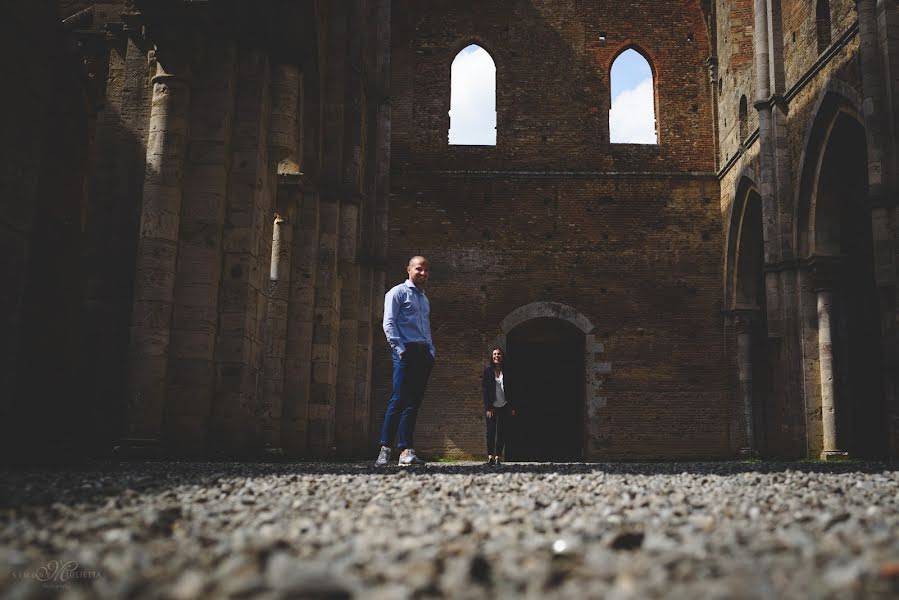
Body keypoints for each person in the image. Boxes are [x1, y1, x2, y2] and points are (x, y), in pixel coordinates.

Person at [375, 256, 436, 467]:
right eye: (419, 269)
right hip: (405, 351)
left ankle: (405, 451)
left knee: (413, 404)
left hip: (422, 353)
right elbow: (389, 323)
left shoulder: (424, 299)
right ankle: (385, 449)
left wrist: (431, 351)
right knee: (399, 399)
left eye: (427, 270)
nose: (423, 273)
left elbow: (425, 328)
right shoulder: (397, 293)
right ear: (408, 269)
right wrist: (400, 350)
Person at [482, 347, 515, 465]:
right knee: (491, 431)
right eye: (495, 354)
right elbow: (485, 391)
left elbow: (513, 389)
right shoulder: (487, 372)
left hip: (505, 405)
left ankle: (498, 456)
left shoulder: (508, 371)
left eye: (499, 354)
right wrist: (488, 407)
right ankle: (490, 456)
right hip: (492, 406)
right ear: (492, 357)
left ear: (502, 357)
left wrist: (512, 407)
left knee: (502, 431)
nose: (497, 356)